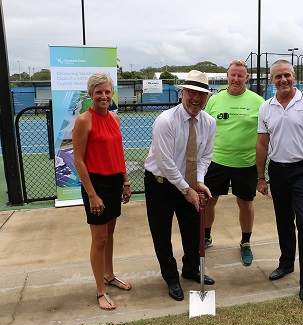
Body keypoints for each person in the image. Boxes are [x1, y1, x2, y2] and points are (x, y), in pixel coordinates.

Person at [256, 59, 303, 302]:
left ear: (294, 75)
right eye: (278, 76)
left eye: (286, 75)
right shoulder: (266, 107)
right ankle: (286, 263)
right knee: (283, 220)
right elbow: (262, 143)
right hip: (277, 171)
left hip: (302, 171)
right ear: (272, 80)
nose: (283, 80)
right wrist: (260, 177)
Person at [144, 70, 216, 302]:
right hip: (161, 185)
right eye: (191, 92)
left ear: (207, 97)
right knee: (162, 235)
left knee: (194, 231)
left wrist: (198, 183)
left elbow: (205, 156)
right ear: (182, 92)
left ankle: (191, 269)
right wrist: (186, 190)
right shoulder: (165, 121)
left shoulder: (209, 122)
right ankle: (171, 277)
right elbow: (165, 163)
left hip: (190, 184)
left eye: (201, 94)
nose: (196, 98)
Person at [72, 72, 132, 311]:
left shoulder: (115, 118)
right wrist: (92, 194)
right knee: (99, 240)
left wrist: (126, 183)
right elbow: (78, 161)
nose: (104, 96)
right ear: (90, 95)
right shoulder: (84, 120)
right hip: (95, 184)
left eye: (107, 92)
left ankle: (109, 274)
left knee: (110, 233)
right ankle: (100, 290)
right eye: (99, 92)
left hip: (115, 181)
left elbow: (118, 152)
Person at [203, 59, 265, 266]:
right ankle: (206, 237)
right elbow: (204, 129)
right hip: (216, 162)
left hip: (246, 164)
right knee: (209, 201)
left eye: (240, 75)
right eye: (233, 75)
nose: (236, 79)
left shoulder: (258, 102)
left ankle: (245, 243)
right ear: (227, 76)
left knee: (245, 203)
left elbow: (265, 135)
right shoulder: (214, 100)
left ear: (246, 78)